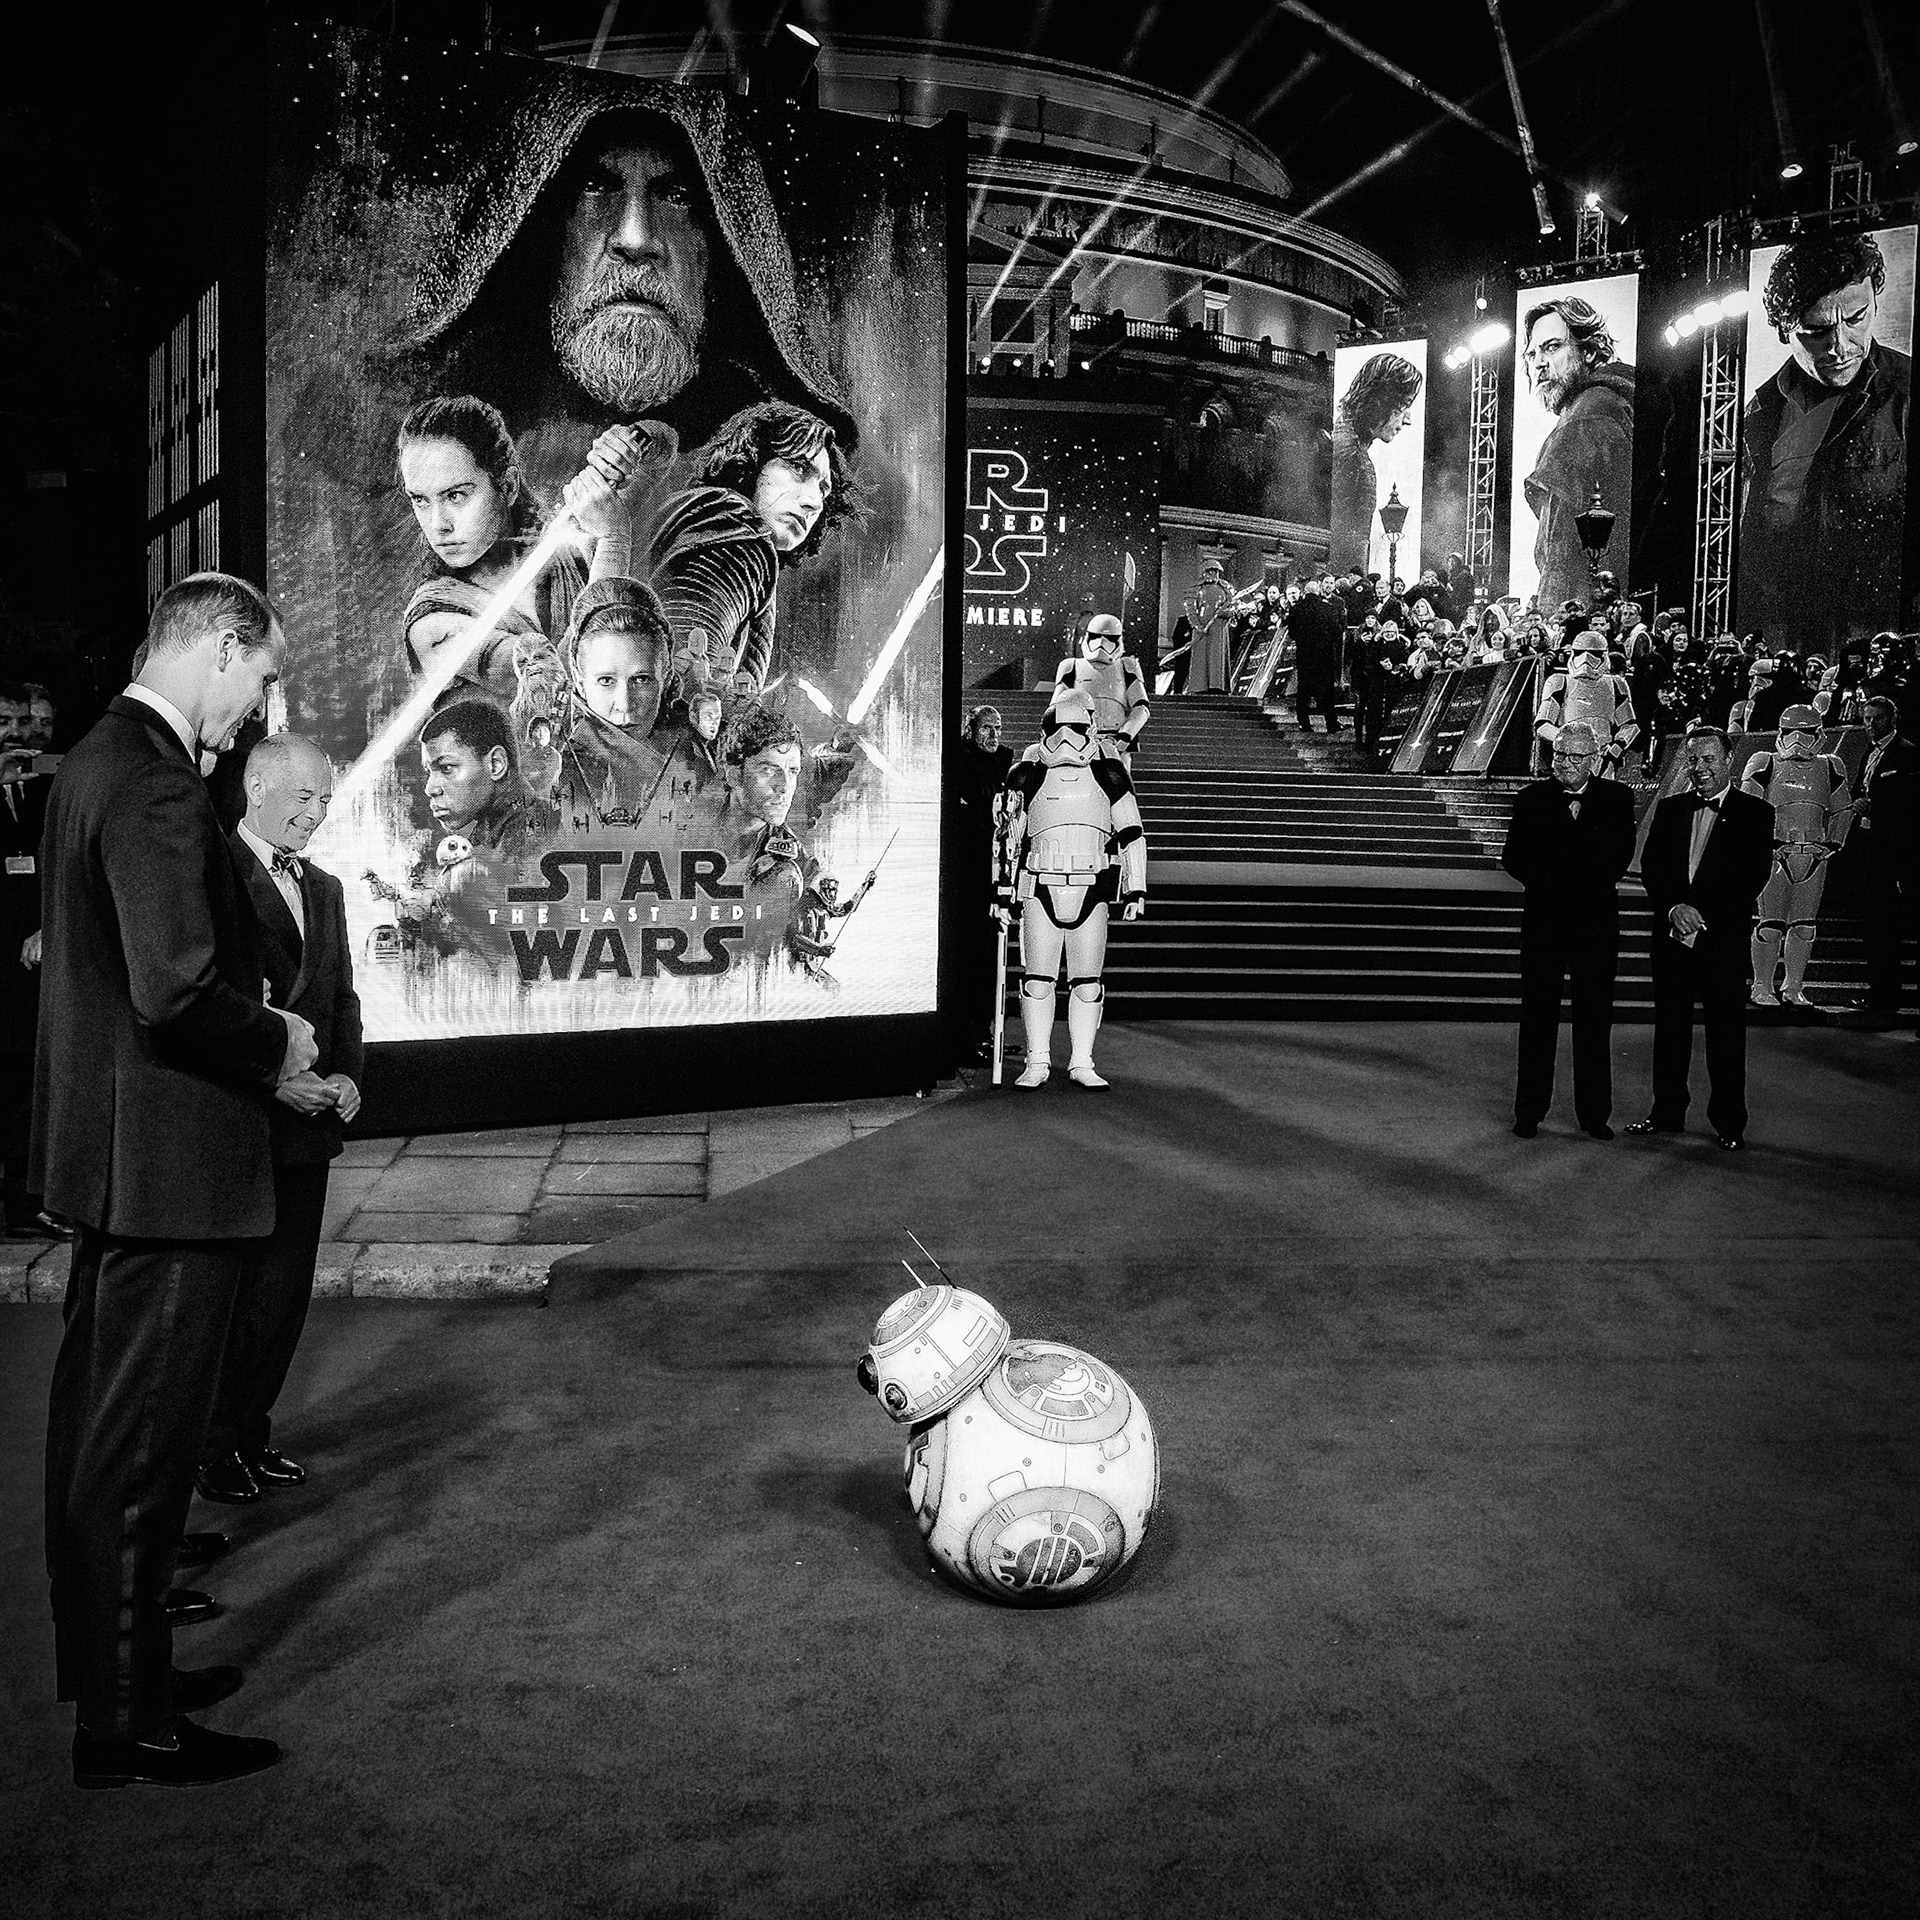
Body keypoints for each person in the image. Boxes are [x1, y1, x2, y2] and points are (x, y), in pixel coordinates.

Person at [35, 572, 315, 1788]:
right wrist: (280, 1042)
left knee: (102, 1446)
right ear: (217, 645)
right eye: (257, 680)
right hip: (169, 1171)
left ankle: (125, 1680)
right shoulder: (151, 777)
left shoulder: (99, 759)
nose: (258, 711)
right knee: (142, 1456)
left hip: (120, 1161)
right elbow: (176, 989)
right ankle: (129, 1725)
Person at [394, 83, 853, 486]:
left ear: (726, 244)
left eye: (678, 197)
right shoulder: (440, 429)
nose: (635, 239)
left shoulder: (779, 458)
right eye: (595, 187)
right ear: (541, 224)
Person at [198, 735, 363, 1507]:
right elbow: (202, 1009)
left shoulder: (325, 887)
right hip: (240, 1124)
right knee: (232, 1304)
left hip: (307, 1131)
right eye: (303, 798)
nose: (315, 814)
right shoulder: (212, 874)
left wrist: (345, 1077)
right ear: (257, 786)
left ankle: (250, 1436)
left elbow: (342, 1003)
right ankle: (211, 1448)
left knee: (283, 1300)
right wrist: (279, 1081)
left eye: (325, 801)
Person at [1736, 233, 1913, 654]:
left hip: (1881, 642)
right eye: (1816, 331)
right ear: (1783, 330)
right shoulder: (1757, 413)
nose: (1840, 347)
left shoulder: (1908, 392)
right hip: (1784, 637)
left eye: (1856, 319)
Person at [646, 401, 858, 694]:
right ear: (754, 461)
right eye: (798, 467)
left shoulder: (714, 519)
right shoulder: (738, 528)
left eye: (823, 489)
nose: (814, 502)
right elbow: (682, 688)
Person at [1629, 727, 1775, 1149]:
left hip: (1721, 943)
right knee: (1670, 1030)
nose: (1700, 768)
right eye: (1693, 760)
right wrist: (1675, 907)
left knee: (1725, 1035)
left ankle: (1729, 1123)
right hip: (1672, 937)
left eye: (1709, 759)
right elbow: (1654, 867)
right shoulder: (1671, 808)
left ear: (1729, 760)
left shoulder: (1756, 813)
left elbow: (1752, 877)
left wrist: (1700, 913)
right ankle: (1666, 1113)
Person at [998, 691, 1147, 1089]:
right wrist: (1001, 893)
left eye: (1076, 730)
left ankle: (1082, 1060)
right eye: (1056, 730)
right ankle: (1038, 1060)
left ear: (1092, 730)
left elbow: (1131, 831)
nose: (1066, 739)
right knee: (1037, 980)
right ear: (1044, 731)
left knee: (1087, 981)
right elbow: (1007, 839)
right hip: (1039, 884)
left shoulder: (1108, 770)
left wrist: (1136, 888)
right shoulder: (1026, 771)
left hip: (1092, 885)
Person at [1501, 722, 1637, 1139]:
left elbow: (1619, 857)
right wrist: (1556, 881)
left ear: (1594, 759)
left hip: (1595, 927)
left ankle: (1594, 1115)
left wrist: (1567, 877)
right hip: (1543, 924)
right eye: (1559, 755)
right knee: (1537, 1019)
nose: (1564, 763)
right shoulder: (1530, 799)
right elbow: (1514, 858)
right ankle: (1529, 1112)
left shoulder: (1618, 798)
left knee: (1594, 1022)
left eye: (1575, 757)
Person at [1519, 297, 1635, 617]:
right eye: (1532, 353)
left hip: (1582, 610)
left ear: (1588, 351)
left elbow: (1559, 547)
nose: (1539, 363)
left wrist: (1547, 618)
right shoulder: (1615, 401)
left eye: (1552, 347)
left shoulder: (1584, 418)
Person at [0, 684, 65, 1241]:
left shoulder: (40, 789)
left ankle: (24, 1206)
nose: (19, 734)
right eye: (7, 720)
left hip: (25, 973)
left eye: (27, 722)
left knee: (26, 1081)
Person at [1741, 706, 1853, 1007]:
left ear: (1819, 733)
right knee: (1771, 923)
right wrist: (1762, 846)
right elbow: (1748, 809)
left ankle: (1793, 987)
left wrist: (1833, 844)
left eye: (1805, 732)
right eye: (1790, 731)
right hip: (1776, 853)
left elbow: (1843, 808)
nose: (1797, 739)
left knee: (1804, 925)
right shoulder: (1764, 762)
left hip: (1815, 853)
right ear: (1780, 732)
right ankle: (1762, 985)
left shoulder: (1831, 766)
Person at [549, 578, 674, 828]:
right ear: (580, 682)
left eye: (641, 679)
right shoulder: (555, 771)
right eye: (606, 680)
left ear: (666, 676)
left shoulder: (697, 755)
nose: (625, 705)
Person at [1848, 695, 1920, 1028]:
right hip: (1869, 848)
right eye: (1866, 718)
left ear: (1892, 718)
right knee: (1875, 925)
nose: (1870, 724)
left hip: (1895, 853)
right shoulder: (1870, 753)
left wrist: (1875, 809)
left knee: (1890, 925)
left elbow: (1910, 807)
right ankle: (1880, 993)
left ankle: (1887, 995)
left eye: (1876, 718)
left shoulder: (1907, 753)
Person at [418, 700, 543, 867]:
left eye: (446, 768)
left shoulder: (531, 837)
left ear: (496, 764)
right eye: (429, 772)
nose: (430, 789)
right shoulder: (493, 830)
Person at [1330, 350, 1423, 573]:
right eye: (1403, 405)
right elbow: (1350, 562)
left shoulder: (1341, 443)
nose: (1408, 419)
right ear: (1380, 402)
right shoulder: (1356, 462)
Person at [957, 706, 1015, 1061]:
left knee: (993, 957)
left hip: (997, 873)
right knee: (971, 957)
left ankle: (987, 1032)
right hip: (969, 875)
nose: (993, 735)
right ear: (972, 730)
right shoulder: (962, 763)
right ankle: (968, 1036)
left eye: (998, 728)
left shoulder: (1005, 767)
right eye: (986, 728)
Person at [1052, 613, 1150, 764]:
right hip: (1079, 738)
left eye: (1110, 639)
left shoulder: (1127, 666)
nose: (1101, 643)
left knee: (1119, 782)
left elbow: (1141, 707)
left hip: (1116, 737)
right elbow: (1056, 708)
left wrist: (1126, 734)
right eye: (1095, 637)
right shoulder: (1070, 666)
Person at [1288, 576, 1347, 735]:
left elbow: (1291, 632)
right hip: (1324, 655)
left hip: (1304, 655)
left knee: (1303, 689)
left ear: (1305, 592)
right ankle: (1331, 723)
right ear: (1318, 591)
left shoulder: (1296, 609)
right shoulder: (1327, 608)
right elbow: (1337, 631)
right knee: (1326, 690)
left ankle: (1304, 723)